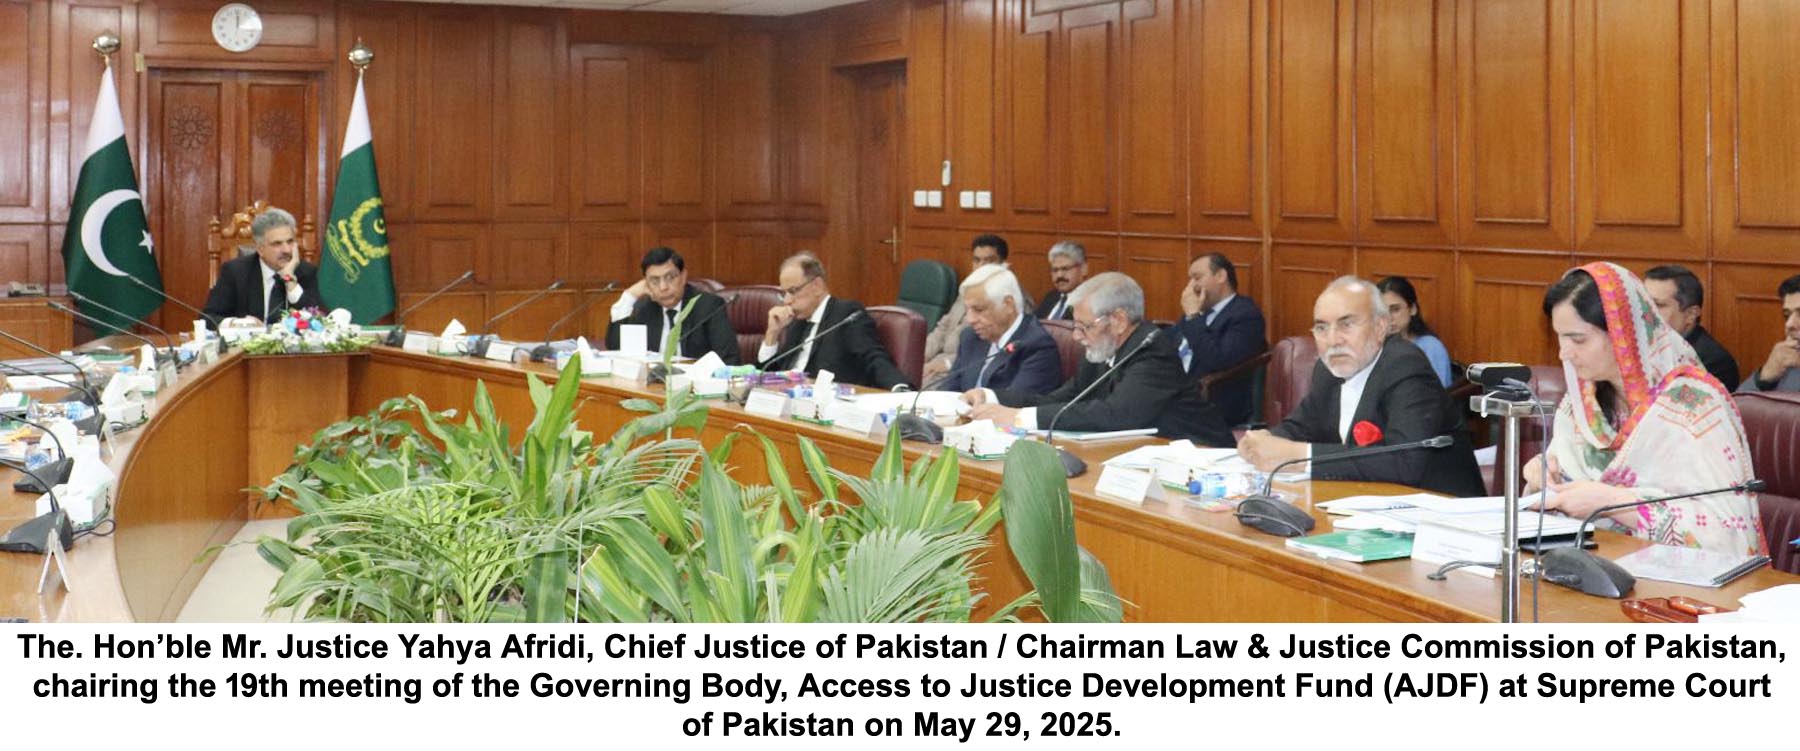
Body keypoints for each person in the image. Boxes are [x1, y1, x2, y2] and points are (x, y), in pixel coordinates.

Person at [1522, 263, 1763, 554]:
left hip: (1678, 575)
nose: (1564, 353)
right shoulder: (1582, 402)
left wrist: (1613, 503)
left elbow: (1726, 534)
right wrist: (1545, 478)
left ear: (1622, 333)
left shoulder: (1694, 405)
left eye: (1578, 339)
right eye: (1560, 337)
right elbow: (1561, 484)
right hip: (1596, 561)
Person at [1237, 276, 1484, 497]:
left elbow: (1404, 461)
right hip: (1366, 506)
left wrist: (1300, 455)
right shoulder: (1328, 369)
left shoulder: (1404, 365)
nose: (1333, 340)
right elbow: (1300, 426)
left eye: (1346, 324)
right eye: (1322, 328)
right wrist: (1262, 441)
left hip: (1442, 513)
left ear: (1380, 327)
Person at [961, 272, 1233, 445]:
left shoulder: (1151, 350)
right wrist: (993, 397)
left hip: (1204, 455)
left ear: (1118, 320)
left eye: (1084, 326)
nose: (1076, 336)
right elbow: (1061, 398)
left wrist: (1018, 418)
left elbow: (1116, 414)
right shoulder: (1101, 349)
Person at [757, 252, 909, 390]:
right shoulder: (796, 323)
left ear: (817, 286)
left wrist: (899, 388)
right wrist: (772, 333)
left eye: (793, 291)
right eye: (784, 293)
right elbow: (766, 377)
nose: (787, 300)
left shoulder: (846, 315)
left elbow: (872, 356)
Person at [921, 234, 1032, 383]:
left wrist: (948, 364)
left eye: (989, 261)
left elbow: (996, 349)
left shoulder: (1012, 298)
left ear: (1003, 264)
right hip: (938, 360)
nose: (981, 266)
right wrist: (921, 355)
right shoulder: (970, 289)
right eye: (977, 260)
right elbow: (944, 326)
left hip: (965, 368)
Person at [938, 264, 1062, 394]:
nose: (970, 319)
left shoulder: (1037, 346)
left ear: (1008, 305)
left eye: (979, 309)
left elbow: (1015, 400)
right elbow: (948, 390)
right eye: (967, 310)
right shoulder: (970, 337)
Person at [604, 246, 740, 364]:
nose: (663, 287)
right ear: (646, 283)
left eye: (670, 277)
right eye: (654, 280)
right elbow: (617, 350)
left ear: (683, 276)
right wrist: (629, 296)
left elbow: (729, 360)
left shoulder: (708, 307)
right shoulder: (644, 308)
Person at [1177, 253, 1267, 425]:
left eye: (1197, 278)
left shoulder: (1245, 315)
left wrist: (1193, 317)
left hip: (1211, 403)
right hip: (1177, 394)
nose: (1191, 287)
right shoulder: (1198, 312)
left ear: (1220, 276)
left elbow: (1217, 360)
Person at [202, 207, 322, 326]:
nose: (286, 250)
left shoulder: (306, 272)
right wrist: (238, 323)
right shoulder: (236, 272)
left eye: (290, 242)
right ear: (260, 249)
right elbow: (208, 318)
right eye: (277, 244)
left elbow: (319, 321)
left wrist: (290, 281)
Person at [1643, 265, 1739, 388]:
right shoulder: (1637, 342)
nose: (1645, 313)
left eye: (1658, 305)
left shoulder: (1715, 363)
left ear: (1691, 314)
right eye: (1643, 302)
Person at [1376, 276, 1454, 386]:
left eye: (1395, 310)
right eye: (1383, 311)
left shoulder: (1430, 347)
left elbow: (1437, 393)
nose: (1389, 318)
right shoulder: (1373, 347)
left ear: (1412, 309)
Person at [1739, 273, 1800, 393]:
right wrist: (1764, 377)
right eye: (1787, 315)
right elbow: (1737, 402)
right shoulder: (1788, 362)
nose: (1789, 324)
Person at [1032, 240, 1087, 321]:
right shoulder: (1051, 297)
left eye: (1065, 269)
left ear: (1083, 269)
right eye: (1055, 270)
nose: (1059, 275)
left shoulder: (1090, 302)